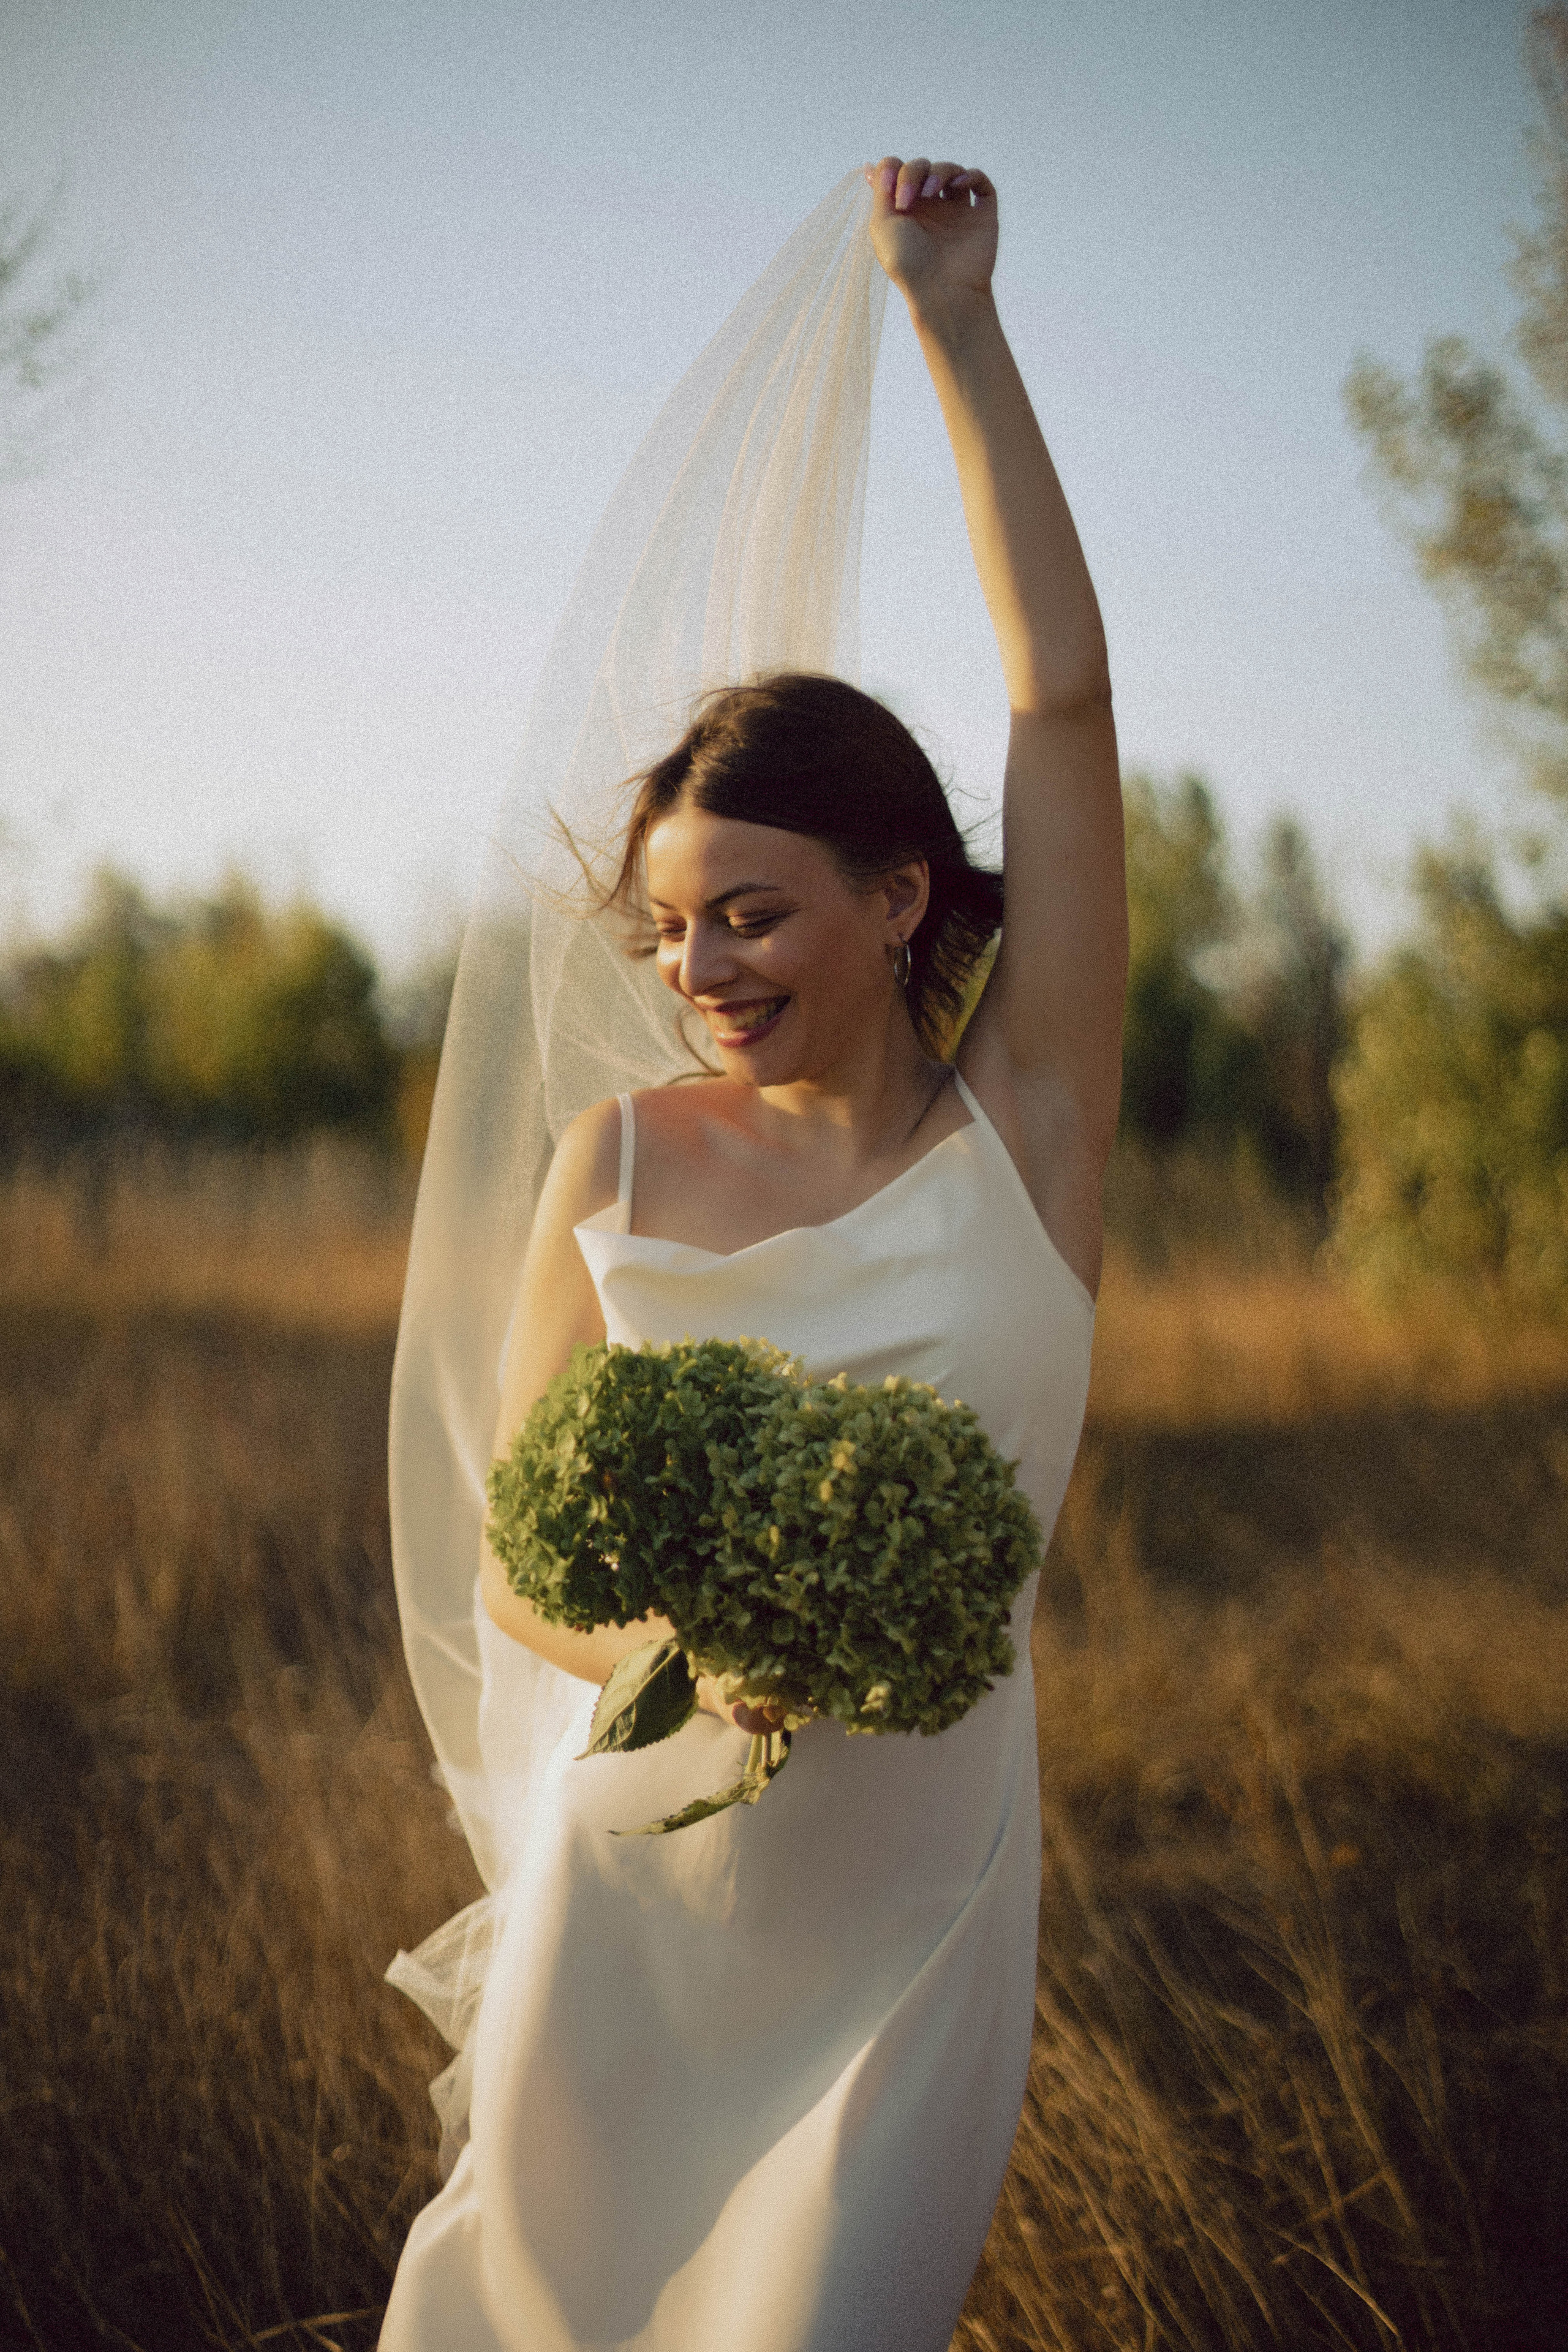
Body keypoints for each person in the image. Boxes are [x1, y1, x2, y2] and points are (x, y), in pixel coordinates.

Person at [381, 156, 1125, 2352]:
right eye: (674, 924)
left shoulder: (1034, 1134)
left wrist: (958, 329)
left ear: (899, 898)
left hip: (917, 1921)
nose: (699, 968)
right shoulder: (616, 1163)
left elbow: (1065, 708)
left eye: (753, 912)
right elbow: (518, 1565)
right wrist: (698, 1646)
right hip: (639, 1896)